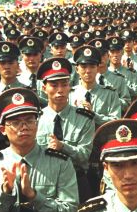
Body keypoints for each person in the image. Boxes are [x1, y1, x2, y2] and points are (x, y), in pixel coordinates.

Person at [35, 57, 96, 202]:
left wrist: (63, 147)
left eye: (64, 84)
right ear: (44, 89)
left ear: (70, 87)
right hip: (44, 183)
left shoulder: (84, 118)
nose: (60, 91)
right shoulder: (36, 119)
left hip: (77, 180)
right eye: (54, 85)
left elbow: (84, 156)